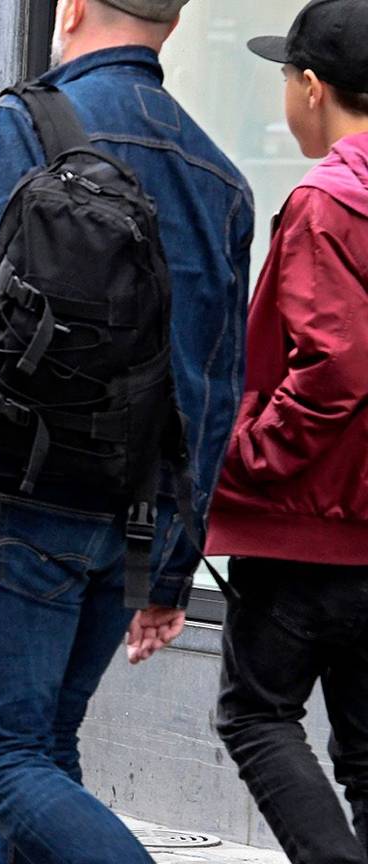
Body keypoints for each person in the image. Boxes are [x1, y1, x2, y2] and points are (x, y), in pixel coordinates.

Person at [0, 0, 253, 861]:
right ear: (172, 26)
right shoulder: (220, 177)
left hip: (21, 499)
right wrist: (174, 560)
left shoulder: (28, 125)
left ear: (72, 9)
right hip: (136, 517)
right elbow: (216, 390)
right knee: (46, 748)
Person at [207, 2, 368, 860]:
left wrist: (246, 454)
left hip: (309, 524)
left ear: (311, 86)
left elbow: (335, 367)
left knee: (256, 715)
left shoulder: (328, 201)